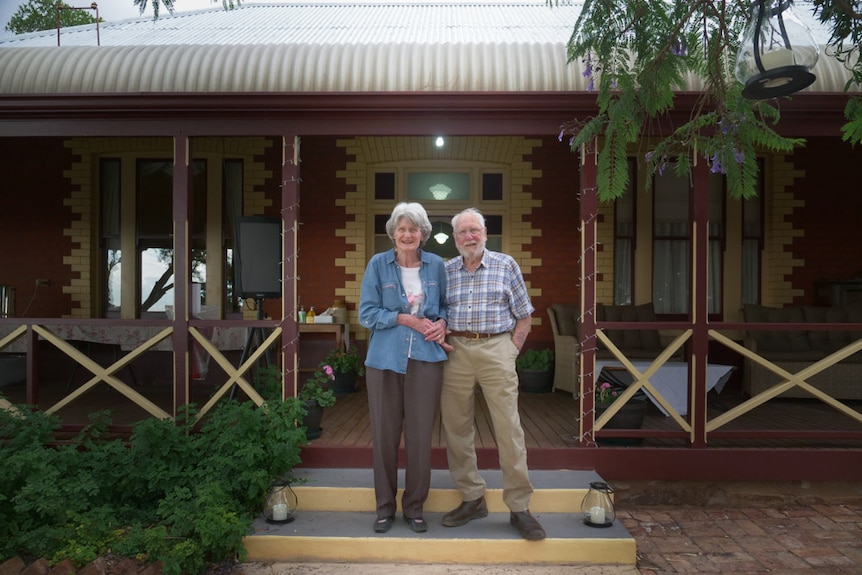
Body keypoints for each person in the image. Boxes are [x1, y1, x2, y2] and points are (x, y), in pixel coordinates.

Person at [439, 207, 546, 541]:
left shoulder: (505, 264)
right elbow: (436, 313)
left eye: (475, 230)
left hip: (496, 348)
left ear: (485, 232)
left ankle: (519, 507)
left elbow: (524, 316)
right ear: (455, 239)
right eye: (463, 232)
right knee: (456, 428)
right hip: (456, 352)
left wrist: (511, 350)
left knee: (508, 428)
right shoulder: (446, 270)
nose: (469, 237)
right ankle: (472, 498)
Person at [358, 202, 450, 535]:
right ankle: (384, 508)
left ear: (423, 234)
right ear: (393, 234)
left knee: (420, 437)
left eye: (413, 229)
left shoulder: (437, 265)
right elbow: (366, 314)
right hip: (383, 361)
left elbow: (445, 308)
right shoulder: (377, 265)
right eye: (402, 229)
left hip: (426, 359)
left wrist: (441, 323)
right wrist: (401, 317)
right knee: (384, 435)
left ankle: (414, 507)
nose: (407, 235)